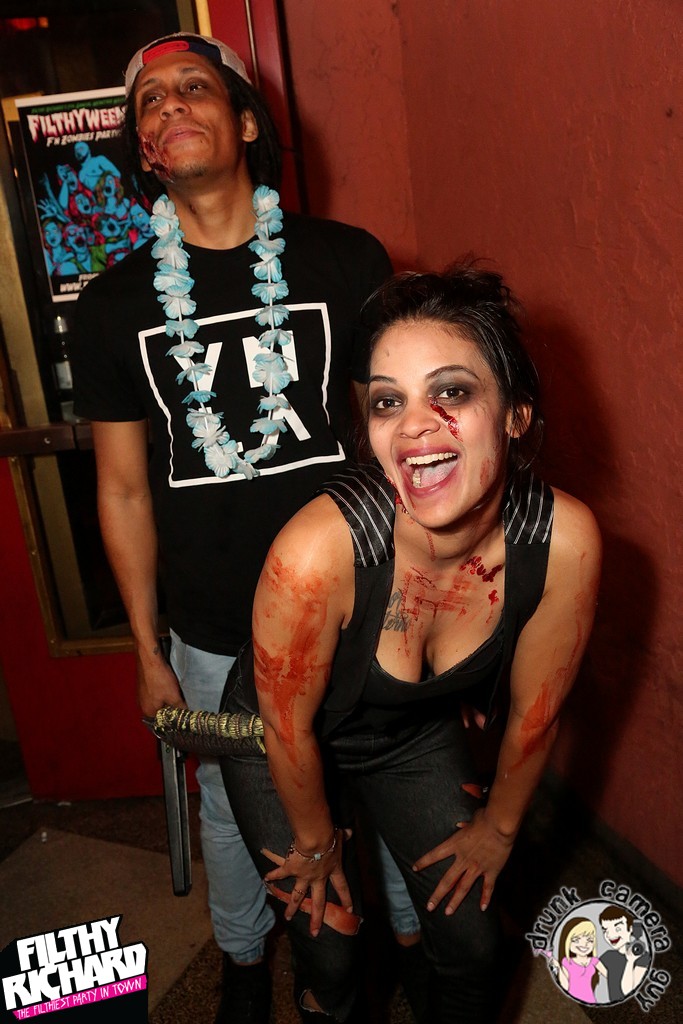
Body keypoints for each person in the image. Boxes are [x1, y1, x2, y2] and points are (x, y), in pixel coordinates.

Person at [71, 31, 394, 1024]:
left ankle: (407, 945)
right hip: (211, 625)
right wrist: (146, 649)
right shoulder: (113, 304)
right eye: (150, 101)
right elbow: (123, 491)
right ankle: (244, 958)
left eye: (193, 88)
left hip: (357, 600)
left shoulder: (346, 259)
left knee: (378, 769)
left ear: (247, 122)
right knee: (227, 800)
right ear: (143, 150)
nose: (168, 105)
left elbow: (397, 443)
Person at [220, 263, 602, 1022]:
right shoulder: (318, 552)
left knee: (474, 944)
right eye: (388, 401)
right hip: (277, 743)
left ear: (516, 414)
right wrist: (317, 841)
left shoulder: (563, 542)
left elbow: (536, 715)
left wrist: (499, 830)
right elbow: (287, 728)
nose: (414, 426)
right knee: (331, 950)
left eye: (451, 392)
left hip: (407, 734)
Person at [599, 906, 651, 1001]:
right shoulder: (608, 956)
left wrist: (630, 961)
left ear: (630, 929)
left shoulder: (643, 957)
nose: (610, 935)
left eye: (618, 929)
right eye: (605, 930)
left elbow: (627, 991)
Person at [550, 917, 607, 1003]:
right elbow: (565, 986)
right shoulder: (567, 962)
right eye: (576, 940)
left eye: (590, 940)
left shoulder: (594, 961)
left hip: (590, 1001)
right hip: (571, 1001)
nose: (584, 944)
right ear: (567, 941)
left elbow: (610, 976)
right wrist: (558, 967)